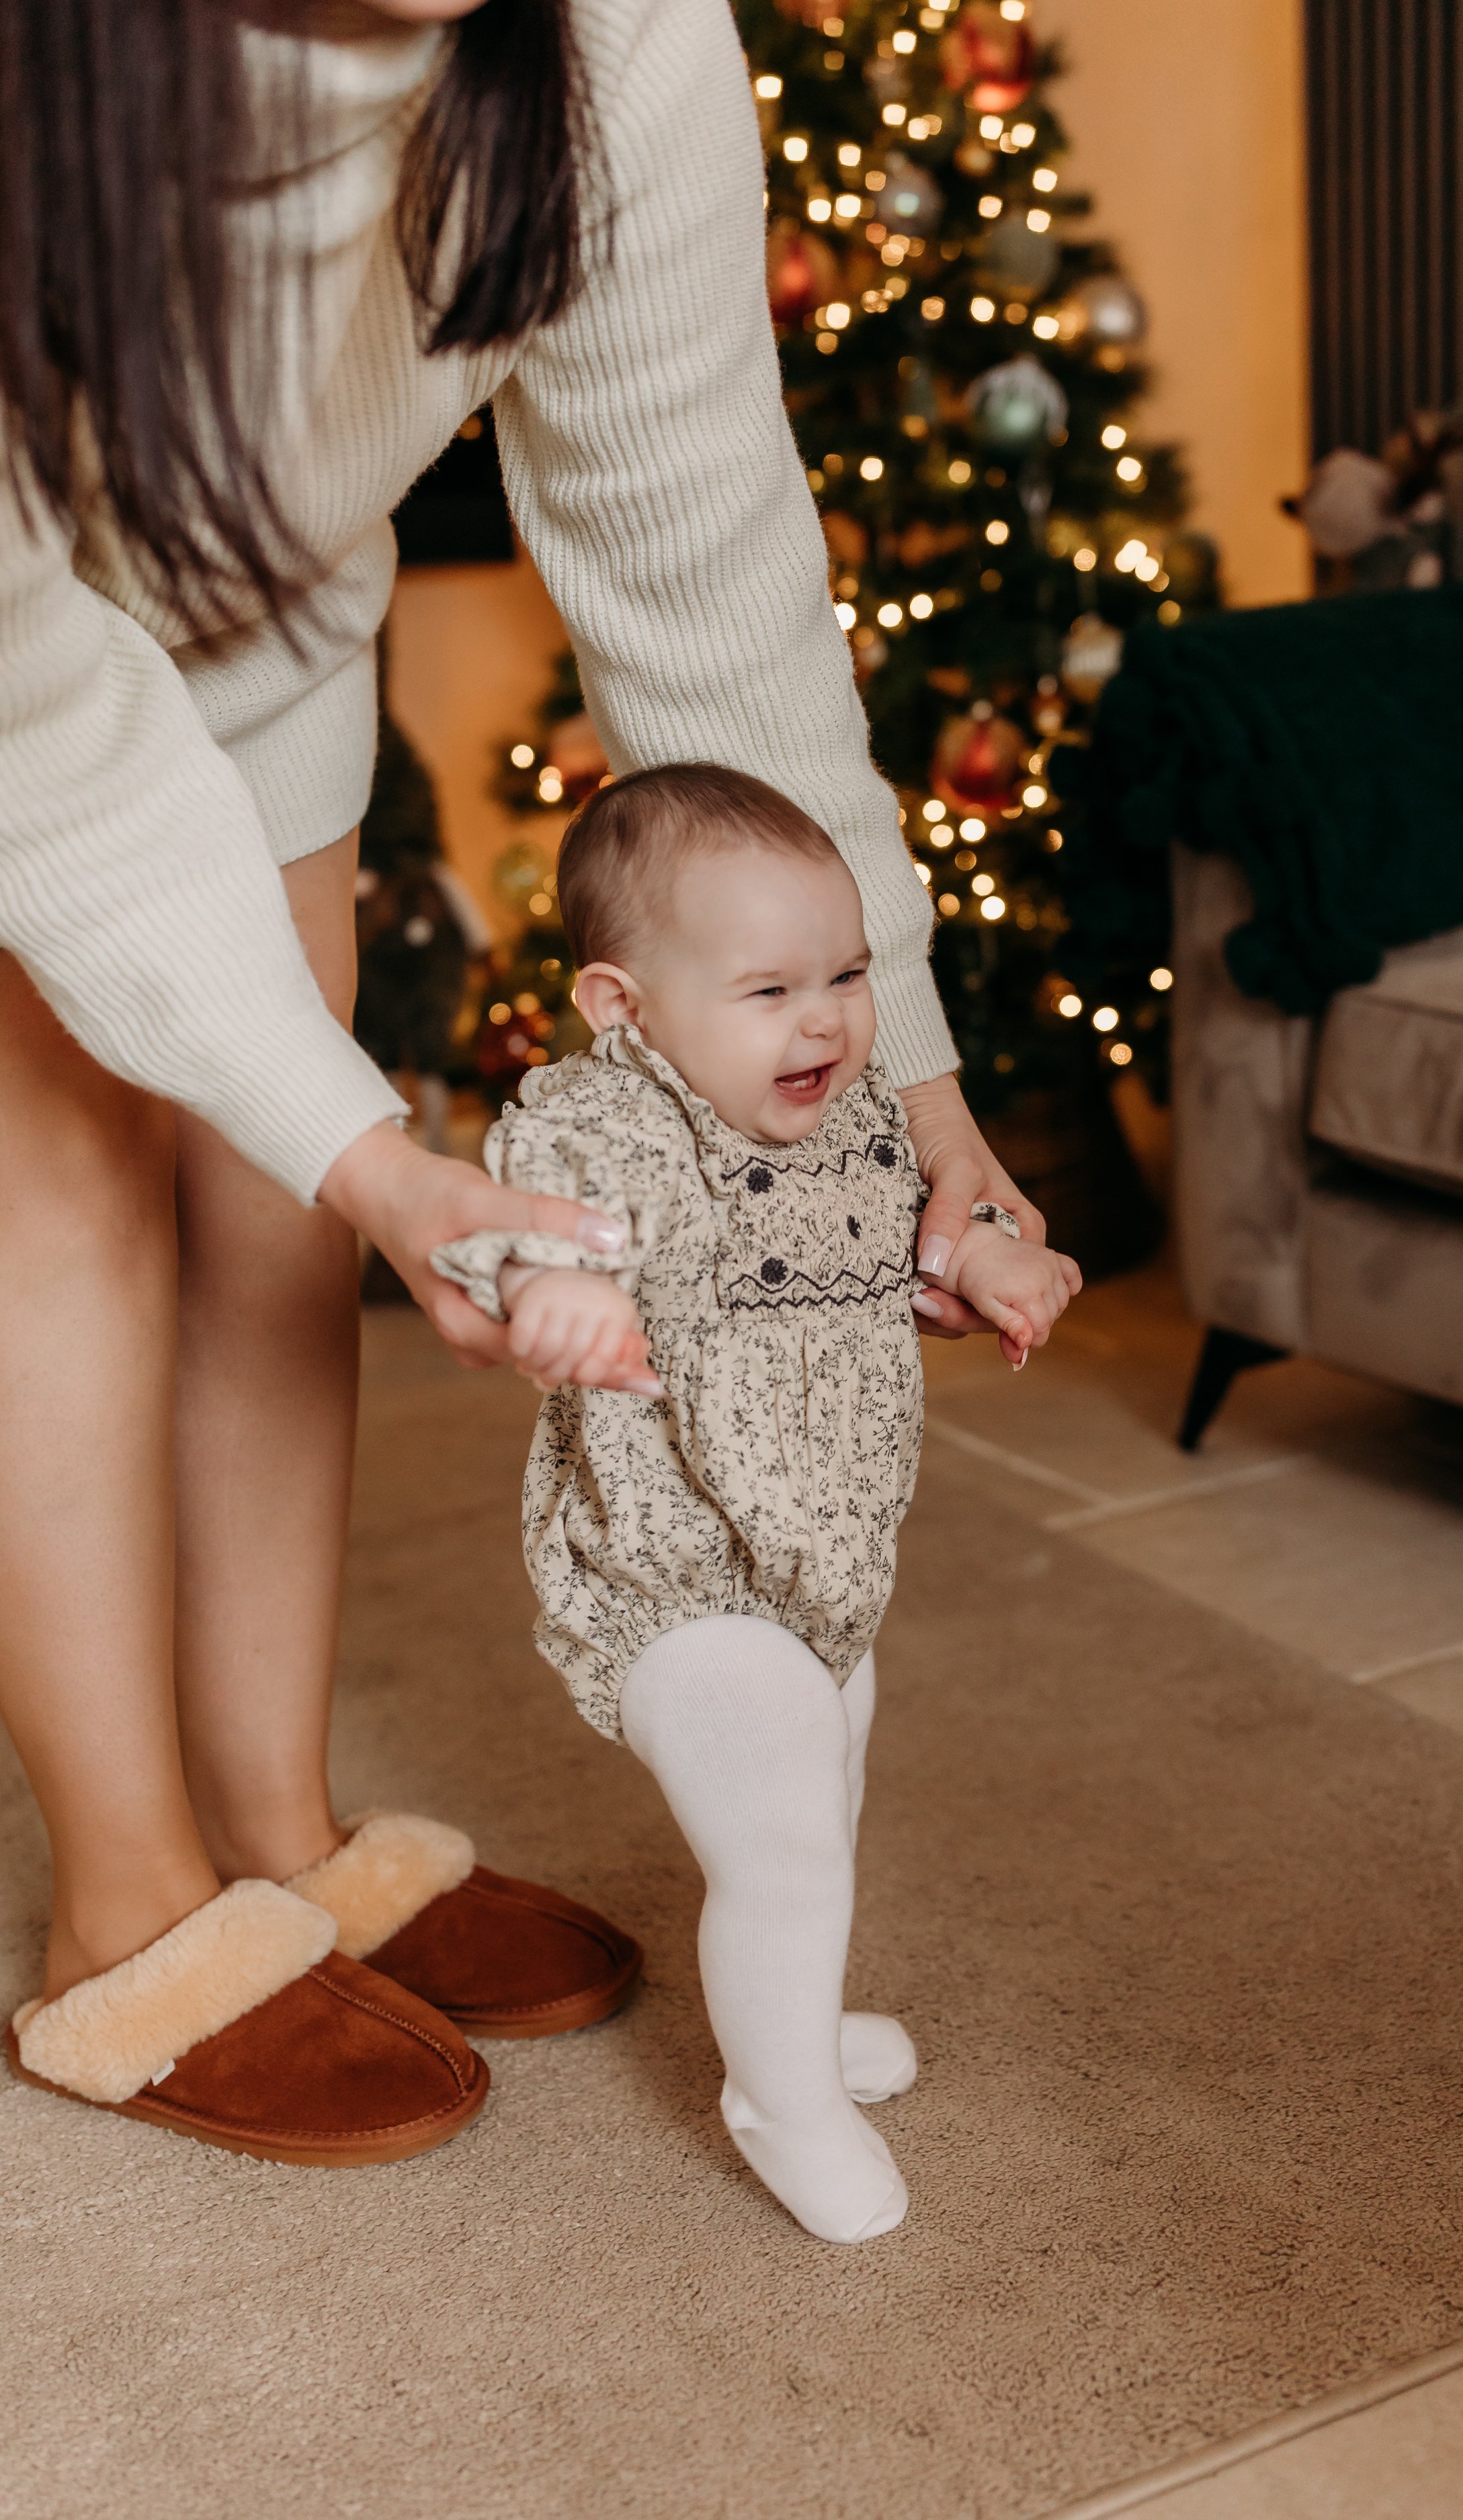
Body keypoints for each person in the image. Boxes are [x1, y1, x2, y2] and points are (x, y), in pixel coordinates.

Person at [0, 0, 1039, 2167]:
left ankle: (279, 1823)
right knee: (61, 1181)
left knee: (267, 1214)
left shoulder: (621, 35)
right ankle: (130, 1903)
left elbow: (708, 578)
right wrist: (380, 1156)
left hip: (250, 602)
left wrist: (914, 1079)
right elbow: (2, 693)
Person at [435, 765, 1079, 2240]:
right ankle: (777, 2100)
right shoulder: (628, 1121)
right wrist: (563, 1286)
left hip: (823, 1560)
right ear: (624, 1008)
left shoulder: (850, 1116)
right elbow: (547, 1217)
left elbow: (914, 1243)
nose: (824, 1017)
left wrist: (984, 1265)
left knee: (820, 1805)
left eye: (847, 974)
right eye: (770, 987)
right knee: (781, 1825)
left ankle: (795, 2020)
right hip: (674, 1564)